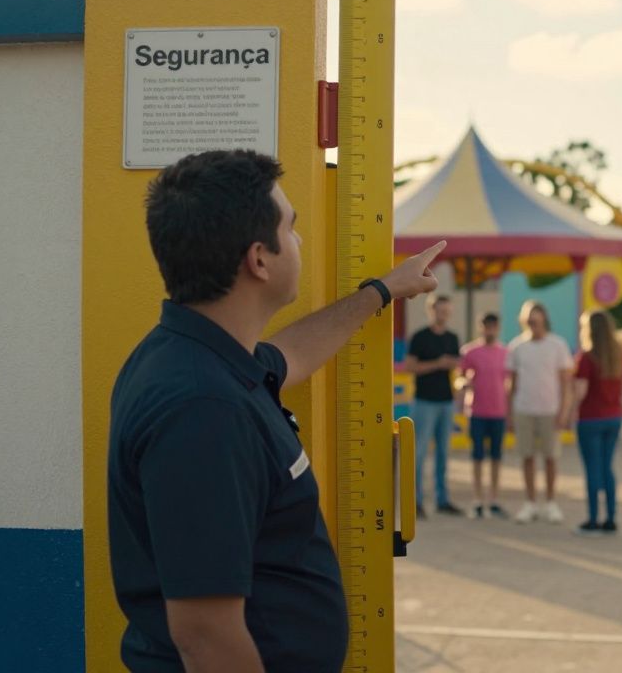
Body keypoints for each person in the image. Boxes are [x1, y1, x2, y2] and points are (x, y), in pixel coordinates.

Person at [108, 149, 445, 672]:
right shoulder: (203, 409)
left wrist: (381, 292)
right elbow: (206, 635)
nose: (301, 241)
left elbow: (291, 355)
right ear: (259, 259)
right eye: (291, 228)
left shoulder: (201, 356)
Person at [507, 300, 574, 524]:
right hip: (523, 409)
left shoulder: (558, 345)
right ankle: (530, 503)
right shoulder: (517, 346)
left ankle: (551, 503)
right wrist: (509, 412)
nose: (532, 322)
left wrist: (564, 410)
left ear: (544, 318)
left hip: (550, 410)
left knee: (550, 458)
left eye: (536, 318)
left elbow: (566, 383)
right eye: (528, 318)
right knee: (526, 456)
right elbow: (512, 384)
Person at [572, 309, 622, 535]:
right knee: (607, 468)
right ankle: (610, 518)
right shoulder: (620, 355)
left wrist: (569, 411)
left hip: (590, 418)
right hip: (613, 417)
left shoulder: (586, 358)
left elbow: (580, 392)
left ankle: (592, 519)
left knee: (592, 469)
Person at [406, 294, 464, 517]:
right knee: (419, 454)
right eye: (441, 311)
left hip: (446, 401)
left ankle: (443, 499)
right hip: (424, 402)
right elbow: (411, 366)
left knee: (443, 453)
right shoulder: (420, 337)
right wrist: (437, 364)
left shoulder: (452, 337)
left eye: (447, 311)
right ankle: (416, 501)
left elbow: (458, 366)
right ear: (431, 311)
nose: (444, 315)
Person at [459, 312, 510, 519]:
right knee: (478, 457)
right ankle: (478, 499)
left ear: (497, 328)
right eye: (486, 326)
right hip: (477, 412)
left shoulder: (505, 353)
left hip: (498, 411)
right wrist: (463, 384)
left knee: (496, 457)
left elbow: (510, 382)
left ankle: (494, 499)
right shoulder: (470, 352)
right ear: (481, 327)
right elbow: (459, 377)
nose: (490, 330)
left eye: (493, 326)